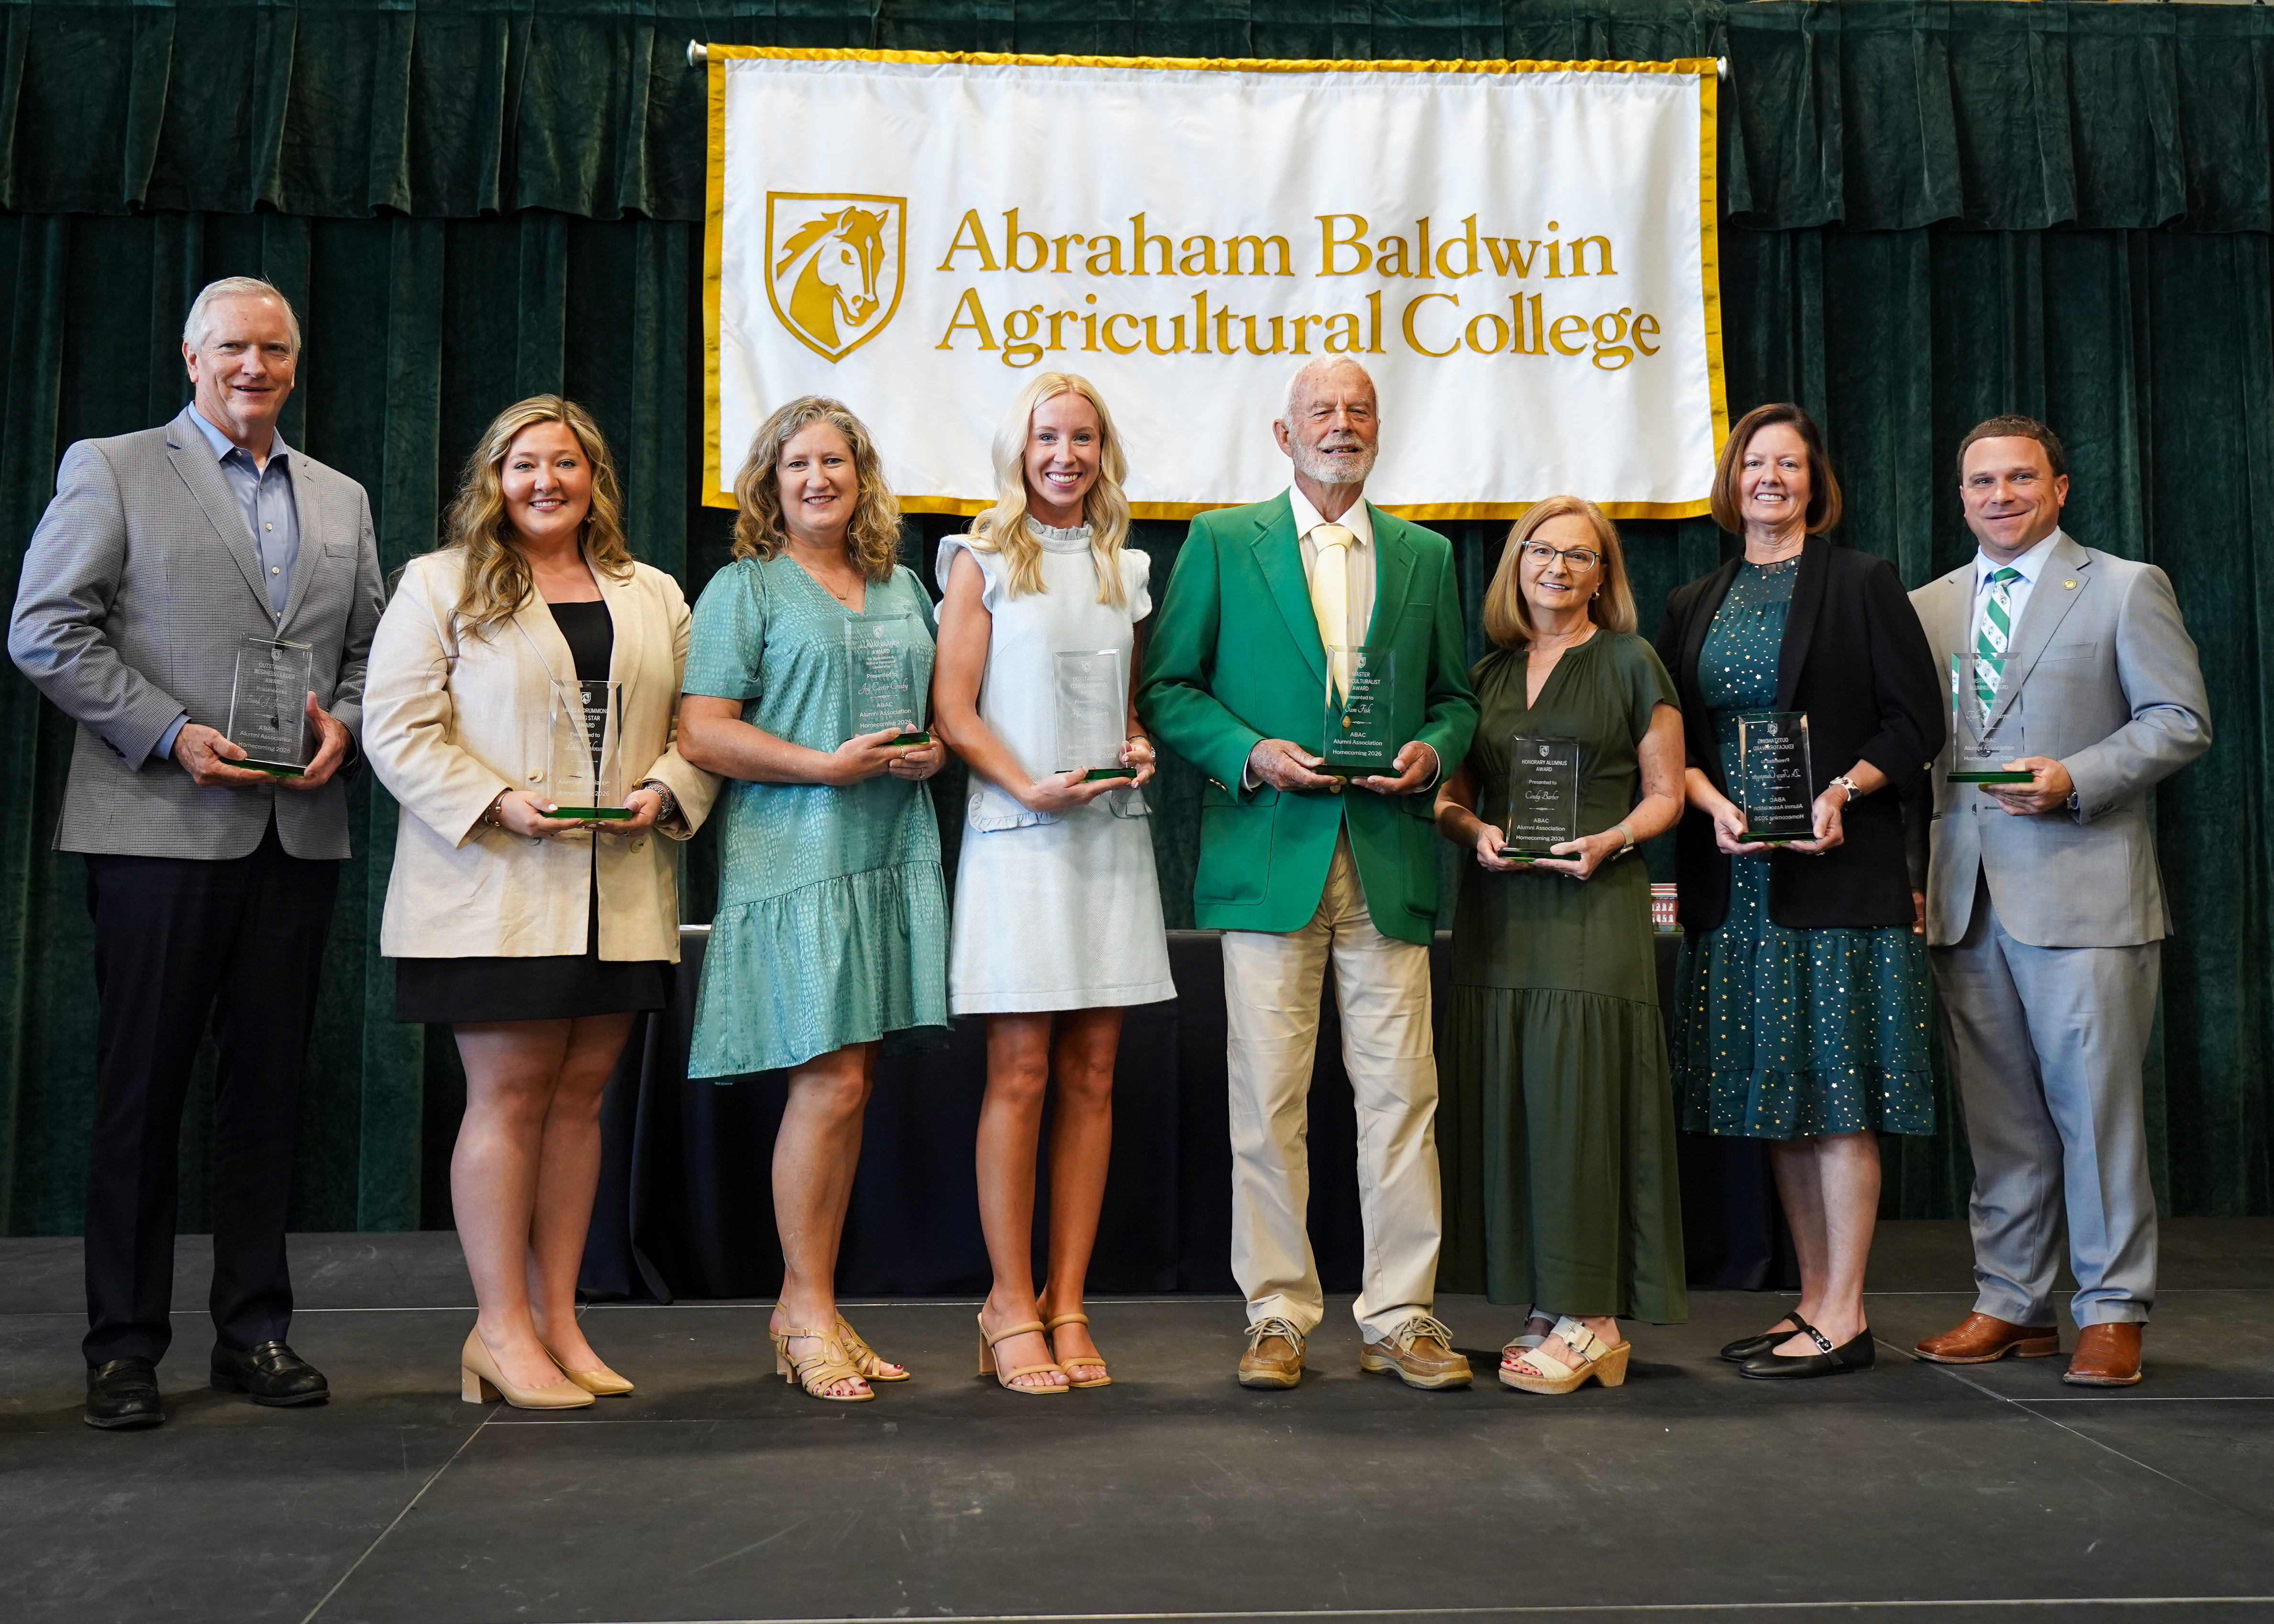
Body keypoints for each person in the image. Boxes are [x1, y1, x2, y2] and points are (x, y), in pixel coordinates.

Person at [7, 276, 384, 1429]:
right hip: (158, 826)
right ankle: (123, 1346)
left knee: (267, 1097)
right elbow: (43, 628)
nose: (253, 367)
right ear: (190, 356)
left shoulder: (340, 496)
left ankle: (254, 1334)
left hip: (295, 826)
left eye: (273, 349)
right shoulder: (112, 467)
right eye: (233, 348)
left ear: (295, 361)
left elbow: (372, 649)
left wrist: (348, 726)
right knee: (142, 1095)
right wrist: (171, 734)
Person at [363, 397, 717, 1411]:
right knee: (510, 1098)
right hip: (495, 888)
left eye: (566, 464)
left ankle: (558, 1321)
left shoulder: (653, 594)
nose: (545, 482)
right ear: (495, 478)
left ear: (595, 479)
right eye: (524, 465)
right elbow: (396, 730)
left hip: (621, 888)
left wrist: (668, 791)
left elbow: (696, 729)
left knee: (577, 1104)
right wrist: (497, 802)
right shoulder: (441, 584)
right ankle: (498, 1329)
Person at [1137, 357, 1479, 1391]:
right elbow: (1169, 687)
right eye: (1320, 412)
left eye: (1358, 410)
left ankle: (1401, 1316)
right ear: (1283, 437)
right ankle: (1277, 1313)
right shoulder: (1219, 542)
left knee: (1400, 1098)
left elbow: (1454, 700)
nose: (1342, 425)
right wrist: (1250, 752)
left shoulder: (1423, 555)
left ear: (1379, 430)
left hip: (1386, 860)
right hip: (1268, 854)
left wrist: (1431, 749)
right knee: (1267, 1099)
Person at [1907, 417, 2209, 1388]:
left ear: (2060, 488)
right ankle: (2009, 1302)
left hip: (2084, 896)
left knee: (2096, 1114)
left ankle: (2113, 1309)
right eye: (1980, 482)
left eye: (2018, 478)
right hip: (1966, 901)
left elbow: (2179, 720)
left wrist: (2073, 777)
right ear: (1959, 498)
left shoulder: (2125, 586)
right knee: (1999, 1123)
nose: (1998, 495)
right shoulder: (1928, 608)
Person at [1656, 402, 1943, 1381]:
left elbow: (1916, 726)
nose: (1770, 478)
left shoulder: (1860, 582)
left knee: (1838, 1097)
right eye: (1754, 464)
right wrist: (1704, 801)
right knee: (1776, 1102)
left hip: (1833, 875)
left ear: (1815, 484)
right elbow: (1679, 746)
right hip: (1736, 888)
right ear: (1731, 482)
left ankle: (1846, 1311)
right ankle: (1813, 1302)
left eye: (1788, 464)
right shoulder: (1694, 597)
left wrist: (1840, 792)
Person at [677, 397, 947, 1403]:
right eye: (798, 465)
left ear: (861, 477)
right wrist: (819, 769)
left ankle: (815, 1306)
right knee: (826, 1085)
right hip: (797, 856)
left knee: (852, 1086)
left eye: (835, 462)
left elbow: (938, 719)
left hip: (888, 850)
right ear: (770, 483)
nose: (818, 479)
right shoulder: (744, 590)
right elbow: (702, 731)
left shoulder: (905, 587)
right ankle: (800, 1309)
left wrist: (931, 751)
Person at [931, 373, 1174, 1394]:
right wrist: (1027, 783)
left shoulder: (1128, 566)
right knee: (1021, 1074)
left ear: (1101, 450)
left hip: (1108, 837)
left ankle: (1067, 1302)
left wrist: (1135, 744)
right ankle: (1006, 1302)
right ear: (1017, 449)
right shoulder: (978, 562)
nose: (1064, 455)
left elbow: (1119, 705)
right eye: (1047, 438)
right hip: (1018, 837)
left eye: (1082, 438)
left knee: (1093, 1076)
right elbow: (954, 709)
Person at [1434, 497, 1688, 1395]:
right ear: (1516, 564)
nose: (1558, 568)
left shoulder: (1630, 661)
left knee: (1582, 1102)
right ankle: (1545, 1302)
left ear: (1602, 576)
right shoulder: (1484, 673)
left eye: (1580, 557)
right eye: (1542, 551)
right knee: (1516, 1106)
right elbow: (1449, 798)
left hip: (1593, 910)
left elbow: (1666, 795)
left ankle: (1593, 1319)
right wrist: (1474, 835)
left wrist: (1612, 840)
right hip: (1498, 920)